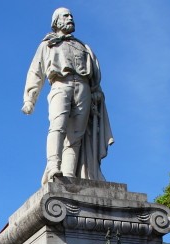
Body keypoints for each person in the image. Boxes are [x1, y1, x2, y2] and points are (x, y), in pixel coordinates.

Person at [23, 7, 113, 184]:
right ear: (56, 21)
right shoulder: (48, 45)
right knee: (58, 126)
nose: (71, 18)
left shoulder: (83, 47)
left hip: (83, 87)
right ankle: (53, 166)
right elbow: (36, 72)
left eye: (71, 15)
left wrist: (96, 92)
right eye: (66, 15)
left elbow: (94, 75)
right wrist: (29, 99)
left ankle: (69, 175)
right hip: (60, 84)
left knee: (76, 135)